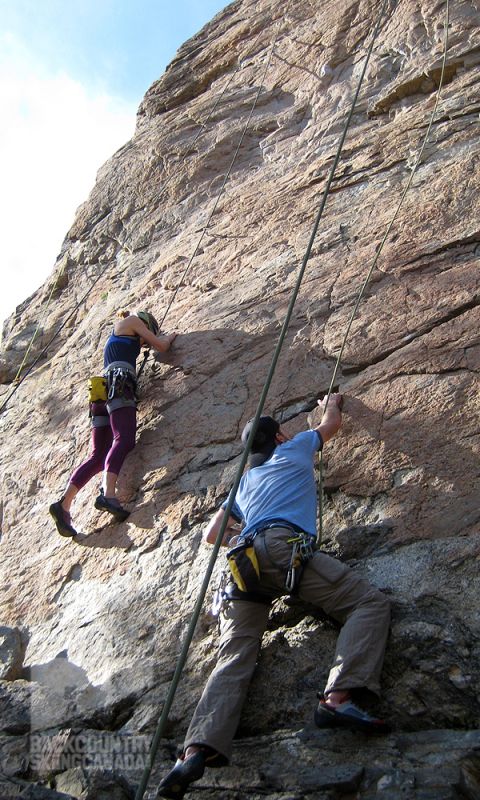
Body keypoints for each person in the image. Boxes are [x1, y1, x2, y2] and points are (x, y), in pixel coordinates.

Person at [157, 394, 391, 799]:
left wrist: (246, 533)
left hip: (241, 565)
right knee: (368, 604)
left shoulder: (242, 482)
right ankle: (337, 697)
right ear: (280, 435)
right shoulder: (295, 447)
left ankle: (194, 751)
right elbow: (330, 426)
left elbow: (212, 536)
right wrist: (330, 402)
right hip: (282, 549)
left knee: (234, 653)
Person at [49, 310, 176, 537]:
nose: (145, 340)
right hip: (119, 384)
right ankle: (108, 494)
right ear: (146, 324)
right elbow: (162, 347)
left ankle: (64, 504)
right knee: (124, 439)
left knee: (98, 457)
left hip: (102, 392)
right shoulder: (131, 321)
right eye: (146, 334)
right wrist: (168, 337)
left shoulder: (120, 337)